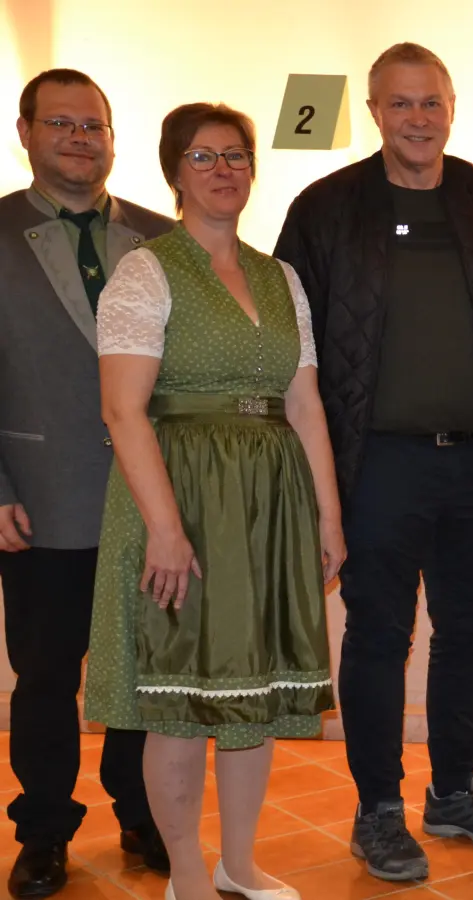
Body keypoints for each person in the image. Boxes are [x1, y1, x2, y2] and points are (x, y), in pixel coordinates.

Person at [272, 42, 473, 880]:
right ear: (375, 110)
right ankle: (378, 808)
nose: (418, 119)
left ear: (452, 108)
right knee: (379, 634)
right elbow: (292, 347)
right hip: (373, 464)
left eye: (432, 103)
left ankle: (454, 789)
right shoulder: (325, 208)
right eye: (401, 104)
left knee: (470, 630)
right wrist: (310, 482)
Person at [83, 102, 341, 900]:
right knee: (179, 699)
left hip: (267, 500)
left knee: (252, 690)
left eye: (235, 155)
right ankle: (186, 873)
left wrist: (327, 517)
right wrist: (164, 528)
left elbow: (304, 403)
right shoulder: (147, 269)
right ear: (173, 173)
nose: (223, 169)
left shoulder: (279, 275)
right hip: (182, 495)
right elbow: (123, 409)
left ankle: (238, 860)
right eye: (203, 157)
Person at [0, 67, 171, 899]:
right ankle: (41, 830)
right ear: (25, 132)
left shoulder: (163, 237)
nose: (79, 139)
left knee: (144, 667)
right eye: (60, 124)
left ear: (112, 137)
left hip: (150, 501)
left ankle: (140, 812)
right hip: (40, 492)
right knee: (45, 676)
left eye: (93, 126)